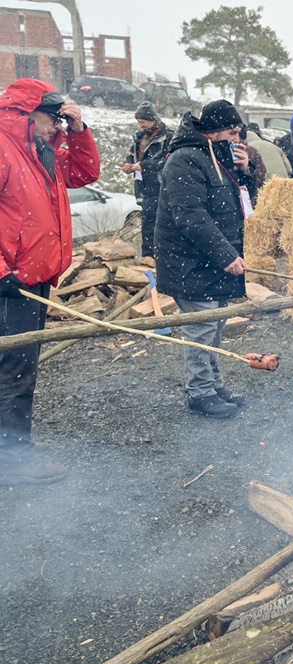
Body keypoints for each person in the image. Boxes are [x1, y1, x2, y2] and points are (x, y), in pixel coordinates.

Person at [0, 78, 99, 484]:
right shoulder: (5, 148)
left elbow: (84, 173)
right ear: (26, 114)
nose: (56, 125)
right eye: (52, 117)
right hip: (11, 280)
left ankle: (13, 442)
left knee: (23, 364)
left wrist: (79, 132)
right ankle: (11, 458)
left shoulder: (41, 151)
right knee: (14, 367)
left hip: (34, 275)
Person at [155, 100, 255, 419]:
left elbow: (243, 203)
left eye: (238, 130)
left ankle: (213, 385)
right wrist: (226, 254)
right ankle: (200, 393)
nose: (237, 136)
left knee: (214, 324)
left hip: (210, 260)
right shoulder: (185, 160)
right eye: (231, 130)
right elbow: (191, 216)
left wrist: (246, 172)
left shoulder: (220, 159)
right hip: (189, 260)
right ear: (212, 133)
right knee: (201, 327)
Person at [120, 101, 172, 264]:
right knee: (148, 222)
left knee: (161, 223)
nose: (140, 125)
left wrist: (144, 166)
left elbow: (168, 162)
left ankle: (161, 257)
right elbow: (131, 154)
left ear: (153, 120)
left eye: (143, 121)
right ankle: (148, 257)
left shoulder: (168, 137)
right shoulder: (138, 138)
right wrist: (129, 164)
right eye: (138, 122)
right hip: (143, 187)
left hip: (160, 187)